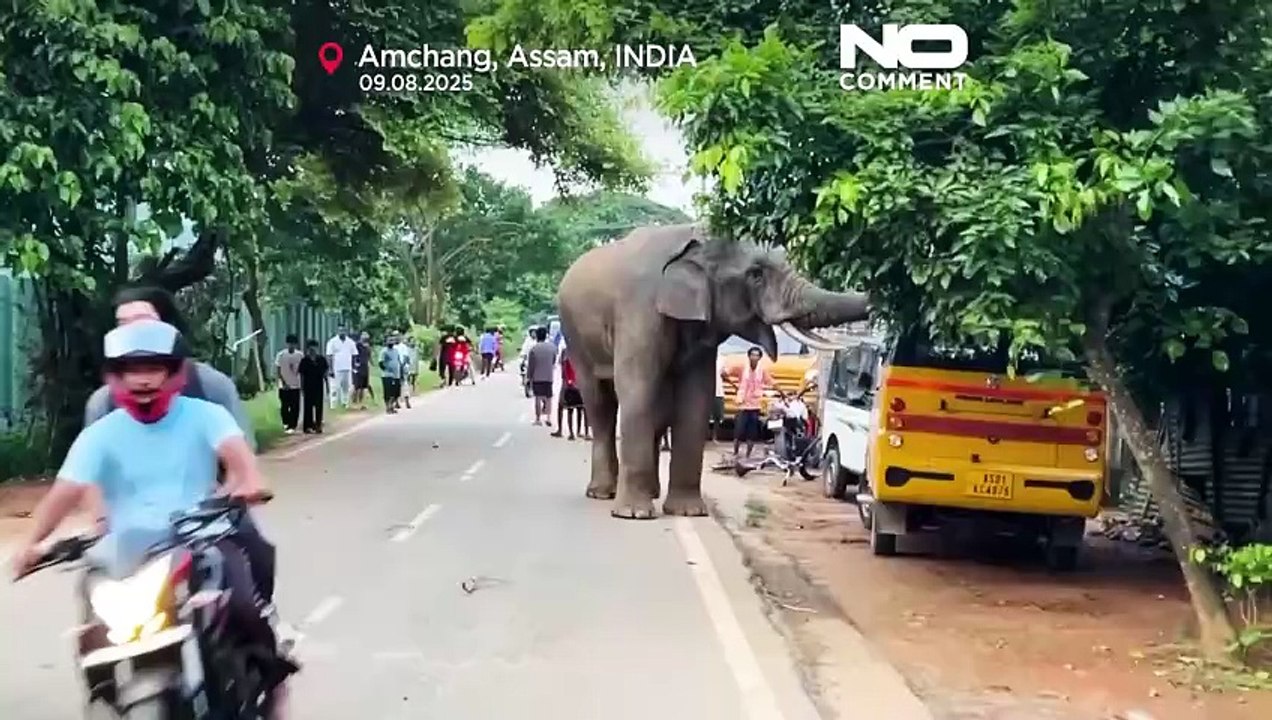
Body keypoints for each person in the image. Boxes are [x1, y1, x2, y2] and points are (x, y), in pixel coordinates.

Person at [12, 320, 296, 717]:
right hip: (124, 553)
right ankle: (104, 695)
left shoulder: (206, 416)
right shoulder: (99, 435)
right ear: (113, 377)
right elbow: (64, 494)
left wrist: (246, 484)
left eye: (153, 369)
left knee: (245, 603)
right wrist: (32, 546)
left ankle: (272, 678)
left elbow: (241, 463)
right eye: (131, 370)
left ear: (176, 372)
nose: (142, 381)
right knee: (92, 624)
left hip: (201, 538)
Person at [85, 285, 276, 606]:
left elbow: (240, 461)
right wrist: (100, 521)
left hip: (208, 515)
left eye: (143, 320)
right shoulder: (103, 402)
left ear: (168, 327)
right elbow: (91, 475)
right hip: (134, 523)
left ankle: (266, 621)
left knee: (253, 552)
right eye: (122, 324)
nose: (133, 331)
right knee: (94, 591)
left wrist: (226, 497)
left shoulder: (210, 386)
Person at [726, 346, 774, 458]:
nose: (754, 357)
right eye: (752, 355)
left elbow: (771, 382)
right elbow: (725, 373)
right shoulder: (742, 367)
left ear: (760, 358)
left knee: (752, 433)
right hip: (742, 405)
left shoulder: (762, 370)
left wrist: (783, 393)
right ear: (748, 356)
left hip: (755, 405)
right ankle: (735, 453)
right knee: (739, 431)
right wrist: (733, 385)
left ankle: (748, 455)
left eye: (757, 355)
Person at [551, 346, 586, 439]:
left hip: (568, 384)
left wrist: (569, 381)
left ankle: (563, 431)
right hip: (579, 384)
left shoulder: (566, 352)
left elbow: (563, 369)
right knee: (580, 408)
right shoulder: (581, 352)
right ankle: (579, 431)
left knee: (564, 407)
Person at [525, 326, 557, 426]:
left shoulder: (534, 349)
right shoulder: (552, 348)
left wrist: (529, 378)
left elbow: (531, 366)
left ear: (537, 336)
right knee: (548, 398)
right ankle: (548, 418)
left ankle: (538, 419)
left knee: (538, 398)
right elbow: (553, 361)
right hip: (548, 376)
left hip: (537, 377)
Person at [274, 333, 303, 434]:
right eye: (290, 343)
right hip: (284, 385)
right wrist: (282, 381)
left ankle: (293, 425)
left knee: (295, 406)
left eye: (293, 344)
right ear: (287, 344)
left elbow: (302, 370)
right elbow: (278, 370)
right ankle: (286, 422)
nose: (292, 345)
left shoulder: (300, 355)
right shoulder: (281, 355)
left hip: (296, 384)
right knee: (285, 405)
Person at [298, 339, 328, 433]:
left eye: (314, 347)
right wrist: (302, 387)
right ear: (308, 349)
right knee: (308, 406)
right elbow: (301, 374)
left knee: (319, 406)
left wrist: (327, 386)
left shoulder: (321, 359)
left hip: (318, 385)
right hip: (308, 386)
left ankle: (318, 425)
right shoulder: (304, 360)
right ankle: (308, 426)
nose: (313, 349)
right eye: (311, 347)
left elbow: (325, 373)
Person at [325, 328, 357, 409]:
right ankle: (333, 404)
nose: (342, 332)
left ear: (346, 332)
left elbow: (354, 355)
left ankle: (345, 403)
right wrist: (330, 369)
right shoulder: (332, 342)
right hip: (336, 368)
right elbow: (329, 356)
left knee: (346, 387)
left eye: (343, 330)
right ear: (337, 331)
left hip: (347, 367)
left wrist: (353, 367)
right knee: (334, 387)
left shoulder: (350, 342)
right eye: (340, 330)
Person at [379, 333, 403, 414]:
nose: (391, 342)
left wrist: (401, 372)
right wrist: (387, 370)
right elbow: (381, 363)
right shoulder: (384, 351)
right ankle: (388, 407)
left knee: (396, 393)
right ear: (386, 342)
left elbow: (398, 361)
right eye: (389, 340)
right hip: (387, 375)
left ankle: (391, 406)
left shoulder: (396, 351)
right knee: (388, 392)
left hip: (396, 375)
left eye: (392, 340)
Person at [352, 331, 372, 410]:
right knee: (357, 386)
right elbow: (353, 355)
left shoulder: (367, 347)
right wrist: (355, 364)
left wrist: (371, 364)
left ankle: (361, 403)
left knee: (363, 387)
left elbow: (369, 357)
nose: (365, 337)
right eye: (364, 336)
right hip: (358, 368)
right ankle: (354, 402)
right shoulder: (357, 345)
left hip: (365, 367)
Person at [396, 334, 417, 409]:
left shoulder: (402, 347)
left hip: (401, 367)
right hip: (397, 368)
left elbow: (406, 357)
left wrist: (403, 366)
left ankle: (405, 401)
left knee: (404, 384)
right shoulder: (394, 347)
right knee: (399, 385)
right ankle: (398, 402)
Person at [710, 350, 727, 442]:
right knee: (703, 416)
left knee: (717, 416)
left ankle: (714, 437)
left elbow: (724, 373)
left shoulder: (721, 358)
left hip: (718, 391)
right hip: (705, 392)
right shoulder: (702, 358)